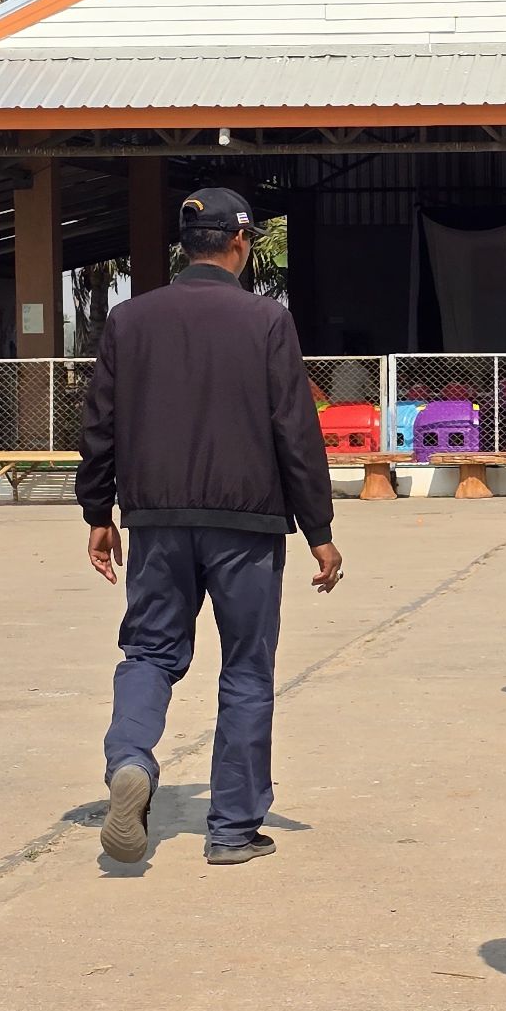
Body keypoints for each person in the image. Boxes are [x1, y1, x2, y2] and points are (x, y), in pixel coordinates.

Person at [76, 187, 345, 869]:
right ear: (241, 242)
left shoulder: (130, 320)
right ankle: (231, 828)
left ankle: (131, 757)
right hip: (247, 524)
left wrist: (98, 513)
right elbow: (295, 430)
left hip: (156, 520)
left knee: (149, 653)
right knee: (246, 667)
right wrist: (318, 527)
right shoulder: (267, 321)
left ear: (185, 245)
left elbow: (99, 426)